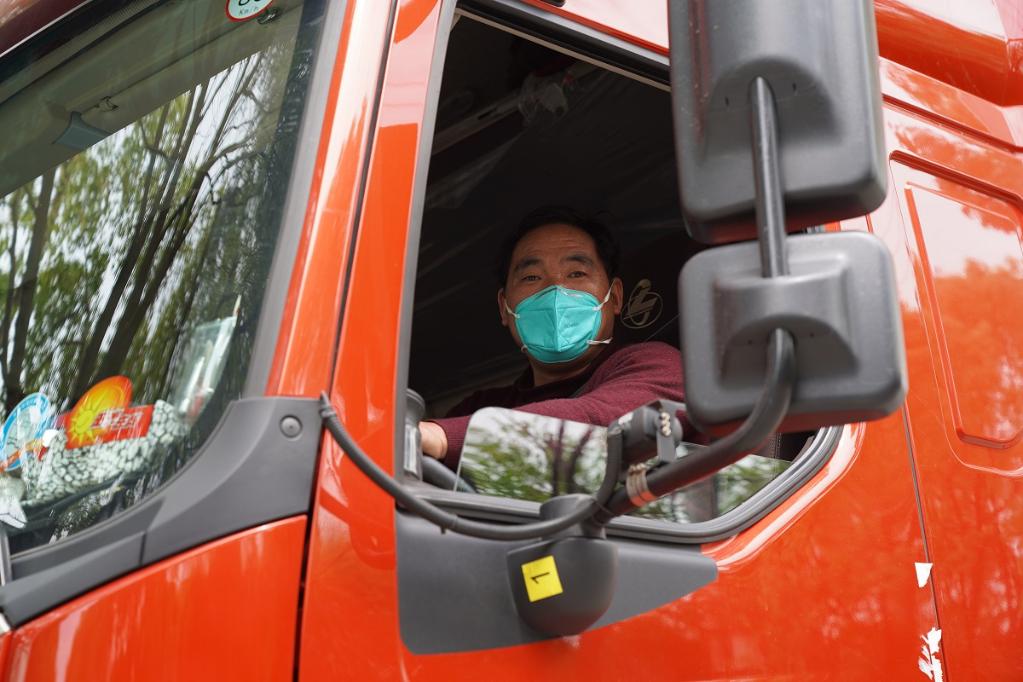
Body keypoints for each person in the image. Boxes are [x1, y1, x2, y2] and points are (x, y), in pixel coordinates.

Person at [421, 207, 687, 469]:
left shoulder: (657, 364)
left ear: (615, 297)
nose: (555, 290)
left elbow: (596, 420)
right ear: (504, 308)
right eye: (532, 277)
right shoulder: (477, 408)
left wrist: (444, 437)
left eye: (576, 274)